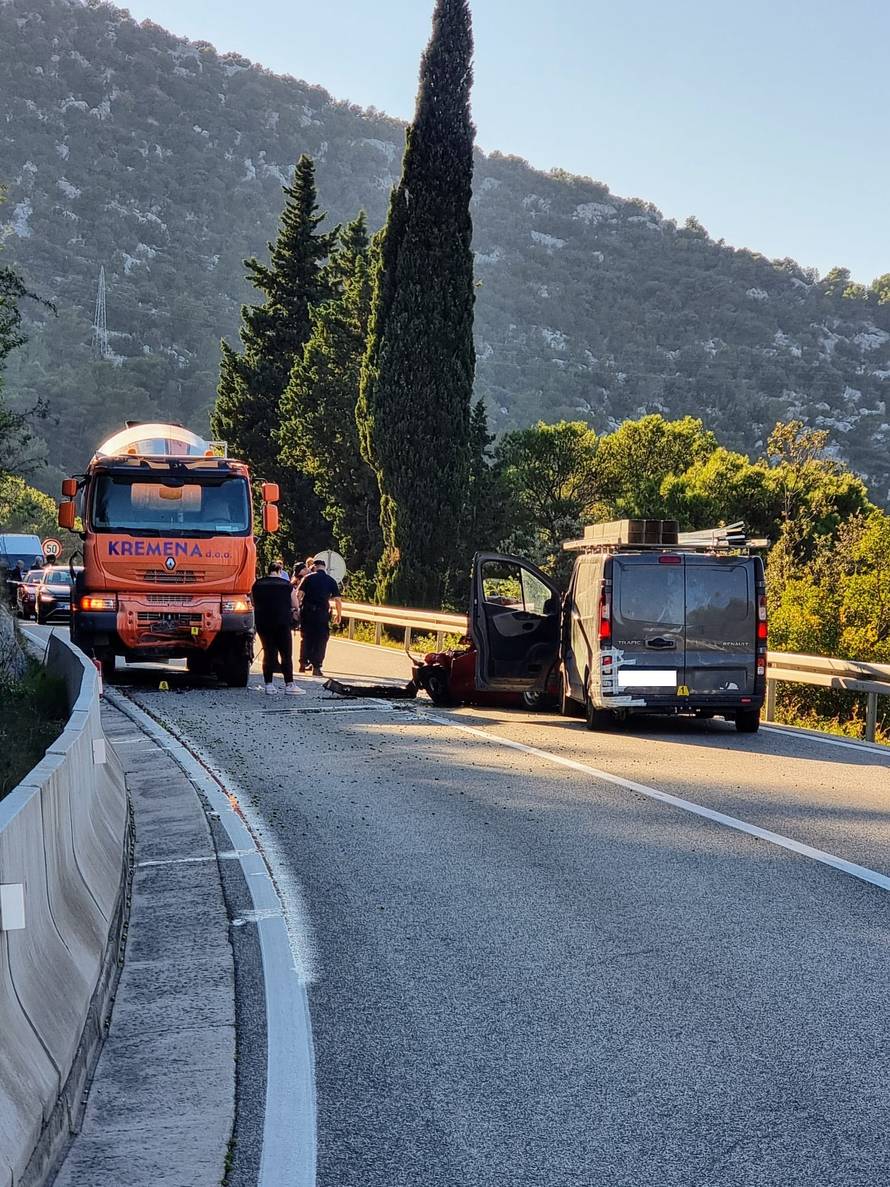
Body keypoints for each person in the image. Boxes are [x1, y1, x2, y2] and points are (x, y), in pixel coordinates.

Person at [251, 561, 300, 695]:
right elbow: (295, 604)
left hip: (263, 623)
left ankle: (269, 685)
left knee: (268, 652)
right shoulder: (286, 585)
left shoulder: (257, 584)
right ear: (280, 571)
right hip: (282, 622)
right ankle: (289, 684)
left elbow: (252, 602)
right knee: (286, 654)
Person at [296, 558, 342, 677]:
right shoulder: (331, 580)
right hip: (322, 614)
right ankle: (317, 667)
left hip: (308, 612)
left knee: (306, 638)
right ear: (324, 567)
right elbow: (337, 600)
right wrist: (339, 614)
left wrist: (297, 610)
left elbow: (299, 595)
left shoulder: (308, 578)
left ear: (315, 567)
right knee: (321, 640)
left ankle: (302, 664)